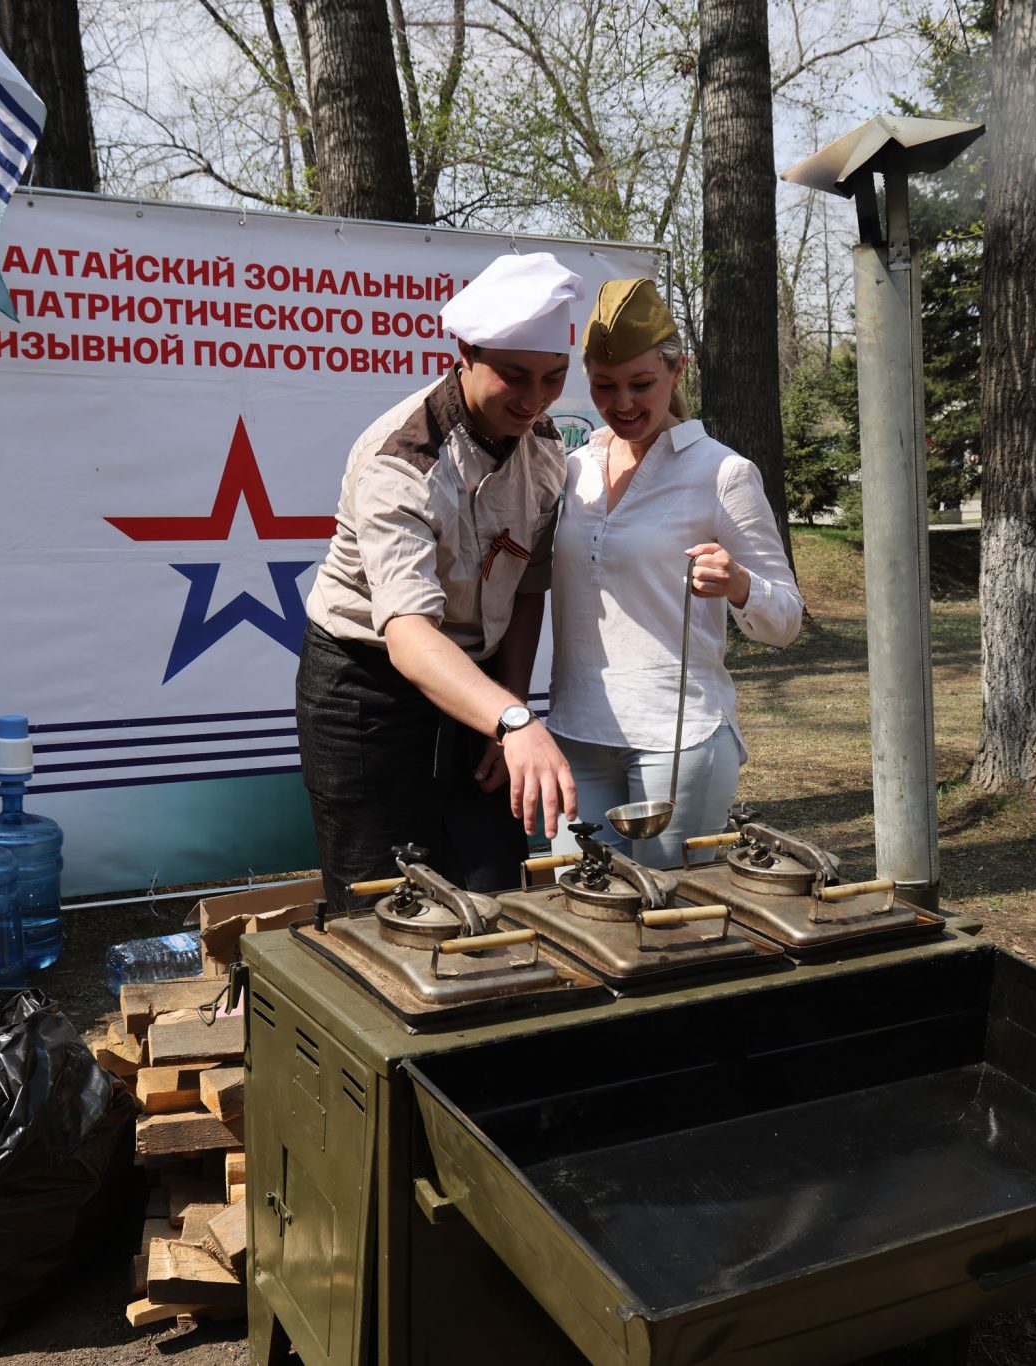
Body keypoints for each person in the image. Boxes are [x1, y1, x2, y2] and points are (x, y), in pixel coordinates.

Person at [296, 253, 580, 913]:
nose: (535, 401)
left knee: (493, 888)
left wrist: (501, 710)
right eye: (514, 376)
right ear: (464, 352)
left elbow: (526, 586)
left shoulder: (543, 443)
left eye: (554, 379)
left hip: (478, 691)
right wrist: (514, 721)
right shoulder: (401, 461)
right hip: (366, 689)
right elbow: (409, 637)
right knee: (385, 908)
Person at [546, 278, 803, 864]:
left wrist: (740, 585)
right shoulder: (570, 469)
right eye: (605, 387)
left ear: (678, 371)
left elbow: (785, 620)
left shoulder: (722, 473)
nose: (624, 403)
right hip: (576, 729)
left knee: (671, 920)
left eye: (642, 384)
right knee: (579, 910)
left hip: (678, 737)